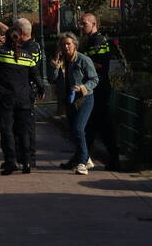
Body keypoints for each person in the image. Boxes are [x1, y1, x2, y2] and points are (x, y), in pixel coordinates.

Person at [0, 26, 44, 175]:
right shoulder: (27, 56)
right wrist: (41, 90)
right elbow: (36, 77)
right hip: (24, 99)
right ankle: (27, 162)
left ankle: (11, 161)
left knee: (7, 130)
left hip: (6, 99)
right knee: (23, 131)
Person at [50, 32, 98, 175]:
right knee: (73, 131)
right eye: (63, 44)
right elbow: (53, 79)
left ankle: (82, 163)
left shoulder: (83, 60)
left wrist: (82, 88)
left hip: (84, 99)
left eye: (68, 44)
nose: (65, 47)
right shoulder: (63, 61)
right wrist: (55, 64)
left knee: (78, 129)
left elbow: (94, 79)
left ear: (75, 45)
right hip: (69, 100)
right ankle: (83, 158)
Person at [79, 12, 122, 171]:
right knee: (92, 124)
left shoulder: (98, 41)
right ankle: (83, 157)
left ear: (93, 24)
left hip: (100, 87)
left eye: (84, 23)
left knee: (100, 124)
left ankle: (110, 159)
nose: (81, 26)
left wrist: (83, 65)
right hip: (94, 87)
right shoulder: (90, 40)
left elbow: (99, 65)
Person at [14, 17, 44, 167]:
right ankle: (21, 157)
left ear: (20, 32)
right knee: (19, 125)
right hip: (23, 90)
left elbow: (25, 66)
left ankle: (30, 158)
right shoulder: (31, 45)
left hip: (27, 91)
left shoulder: (30, 48)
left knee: (27, 126)